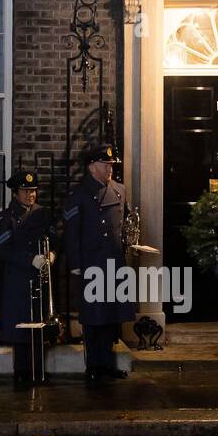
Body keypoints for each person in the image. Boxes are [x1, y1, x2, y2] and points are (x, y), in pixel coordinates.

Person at [63, 144, 135, 382]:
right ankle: (93, 365)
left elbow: (123, 225)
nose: (109, 169)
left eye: (111, 165)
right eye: (105, 165)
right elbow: (72, 232)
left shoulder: (119, 190)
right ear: (92, 166)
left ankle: (107, 364)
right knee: (94, 318)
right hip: (92, 262)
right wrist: (75, 262)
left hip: (114, 261)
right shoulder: (79, 194)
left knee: (111, 316)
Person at [0, 169, 56, 388]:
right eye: (25, 191)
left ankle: (38, 370)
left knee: (38, 324)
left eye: (33, 190)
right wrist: (30, 259)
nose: (31, 195)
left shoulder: (43, 213)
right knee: (21, 325)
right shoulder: (6, 217)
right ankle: (21, 371)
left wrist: (52, 254)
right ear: (15, 193)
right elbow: (3, 250)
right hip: (18, 277)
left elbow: (54, 239)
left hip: (40, 276)